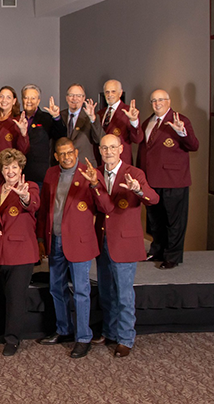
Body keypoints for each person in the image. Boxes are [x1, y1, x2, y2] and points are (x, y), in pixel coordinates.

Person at [37, 138, 113, 359]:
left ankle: (83, 337)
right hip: (55, 240)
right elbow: (44, 210)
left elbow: (105, 207)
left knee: (81, 291)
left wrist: (95, 185)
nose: (67, 157)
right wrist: (41, 237)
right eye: (62, 154)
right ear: (56, 156)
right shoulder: (51, 174)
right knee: (56, 288)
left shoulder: (90, 173)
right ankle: (63, 329)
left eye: (70, 152)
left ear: (76, 151)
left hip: (79, 242)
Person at [94, 134, 158, 357]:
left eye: (113, 147)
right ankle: (109, 331)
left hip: (125, 242)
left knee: (123, 294)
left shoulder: (134, 173)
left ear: (121, 149)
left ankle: (125, 338)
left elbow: (154, 199)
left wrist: (138, 189)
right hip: (102, 240)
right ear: (100, 151)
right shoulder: (96, 173)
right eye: (104, 148)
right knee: (106, 292)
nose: (108, 152)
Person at [0, 148, 40, 356]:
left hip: (20, 253)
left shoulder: (30, 187)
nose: (10, 171)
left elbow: (33, 203)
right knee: (2, 297)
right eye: (6, 167)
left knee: (16, 298)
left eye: (14, 167)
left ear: (21, 169)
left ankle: (13, 339)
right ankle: (4, 331)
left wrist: (25, 197)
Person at [137, 89, 199, 269]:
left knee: (174, 220)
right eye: (153, 100)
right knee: (155, 219)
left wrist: (182, 133)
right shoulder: (148, 122)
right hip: (151, 180)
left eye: (161, 100)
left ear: (169, 101)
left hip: (173, 179)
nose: (157, 104)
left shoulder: (181, 120)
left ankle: (172, 256)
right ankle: (157, 250)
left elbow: (193, 145)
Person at [20, 84, 66, 185]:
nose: (29, 101)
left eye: (33, 98)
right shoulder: (16, 117)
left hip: (39, 174)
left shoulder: (46, 118)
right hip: (18, 173)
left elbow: (60, 136)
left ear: (38, 101)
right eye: (26, 97)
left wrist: (56, 118)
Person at [0, 86, 29, 187]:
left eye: (8, 97)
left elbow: (23, 150)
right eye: (1, 96)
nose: (4, 100)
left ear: (14, 101)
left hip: (7, 172)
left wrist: (23, 133)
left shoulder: (18, 120)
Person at [58, 84, 104, 168]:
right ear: (66, 97)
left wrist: (92, 119)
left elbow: (99, 139)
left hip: (85, 165)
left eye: (78, 96)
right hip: (63, 166)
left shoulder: (91, 117)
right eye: (71, 95)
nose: (74, 98)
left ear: (83, 98)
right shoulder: (59, 116)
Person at [98, 80, 142, 164]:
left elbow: (137, 139)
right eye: (107, 92)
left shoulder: (129, 112)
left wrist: (133, 121)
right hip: (102, 164)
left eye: (113, 91)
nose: (110, 95)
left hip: (122, 163)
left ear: (120, 93)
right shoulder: (99, 114)